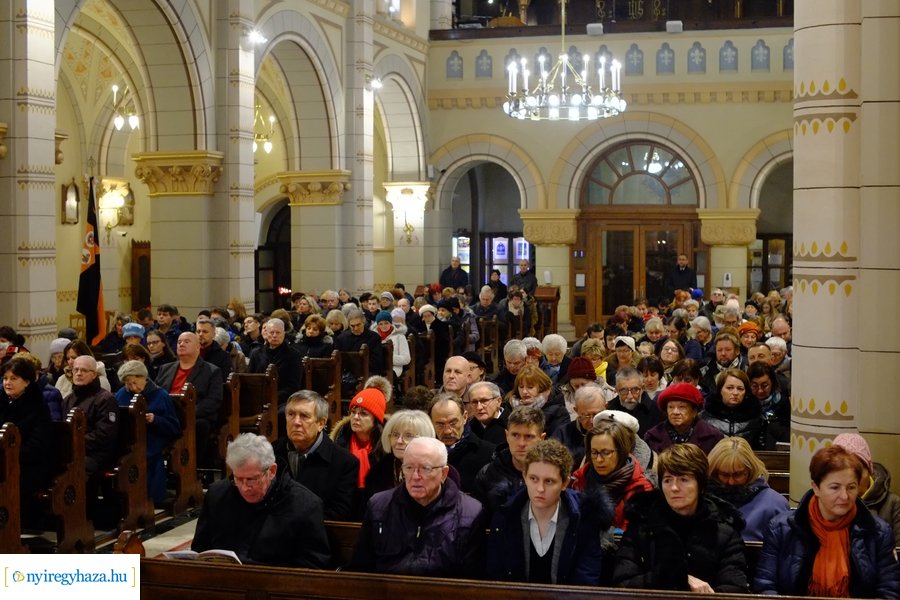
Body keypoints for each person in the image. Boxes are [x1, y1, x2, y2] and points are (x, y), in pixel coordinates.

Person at [753, 445, 899, 597]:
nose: (844, 496)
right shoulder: (781, 528)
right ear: (816, 488)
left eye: (851, 487)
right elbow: (765, 586)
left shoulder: (878, 532)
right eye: (835, 487)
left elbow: (889, 590)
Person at [613, 443, 750, 593]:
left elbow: (735, 588)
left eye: (683, 479)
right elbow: (623, 584)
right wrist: (677, 579)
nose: (674, 488)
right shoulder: (642, 524)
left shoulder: (723, 530)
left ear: (701, 485)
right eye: (667, 480)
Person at [350, 437, 487, 577]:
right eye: (409, 468)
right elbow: (360, 568)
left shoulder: (471, 513)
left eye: (425, 469)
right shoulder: (379, 505)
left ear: (444, 474)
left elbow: (472, 580)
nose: (415, 476)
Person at [192, 433, 331, 568]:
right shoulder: (218, 495)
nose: (245, 488)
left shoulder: (305, 505)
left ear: (272, 471)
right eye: (238, 479)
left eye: (252, 479)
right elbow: (200, 548)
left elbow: (314, 565)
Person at [488, 439, 610, 585]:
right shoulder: (505, 514)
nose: (540, 488)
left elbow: (585, 581)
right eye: (533, 479)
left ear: (564, 483)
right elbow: (496, 578)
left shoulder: (585, 518)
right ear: (524, 477)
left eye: (549, 481)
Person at [272, 390, 359, 521]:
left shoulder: (344, 462)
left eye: (304, 416)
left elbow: (339, 513)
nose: (296, 422)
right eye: (291, 414)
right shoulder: (271, 452)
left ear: (321, 424)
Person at [115, 360, 180, 505]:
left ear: (144, 377)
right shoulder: (121, 394)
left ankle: (151, 496)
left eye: (134, 382)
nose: (132, 387)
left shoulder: (160, 395)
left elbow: (174, 427)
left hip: (153, 438)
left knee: (145, 455)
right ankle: (123, 497)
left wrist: (155, 419)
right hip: (128, 438)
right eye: (127, 384)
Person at [572, 418, 653, 532]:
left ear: (621, 452)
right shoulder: (579, 479)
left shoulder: (640, 488)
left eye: (606, 453)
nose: (599, 459)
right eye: (594, 452)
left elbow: (632, 536)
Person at [156, 332, 223, 467]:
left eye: (187, 341)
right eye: (179, 341)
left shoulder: (211, 371)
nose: (181, 344)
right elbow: (156, 393)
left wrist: (190, 412)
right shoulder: (165, 369)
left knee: (200, 425)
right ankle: (154, 465)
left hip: (195, 416)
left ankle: (192, 468)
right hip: (167, 414)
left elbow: (214, 400)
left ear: (198, 347)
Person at [0, 357, 52, 527]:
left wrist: (9, 456)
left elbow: (38, 446)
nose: (8, 382)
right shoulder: (1, 401)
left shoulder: (37, 406)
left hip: (28, 466)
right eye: (5, 378)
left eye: (14, 378)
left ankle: (9, 529)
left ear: (27, 382)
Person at [707, 437, 788, 542]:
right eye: (724, 475)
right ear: (714, 473)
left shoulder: (775, 504)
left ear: (750, 470)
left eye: (738, 474)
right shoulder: (703, 500)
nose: (731, 482)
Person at [831, 432, 900, 548]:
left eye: (858, 471)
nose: (852, 479)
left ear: (869, 471)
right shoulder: (825, 503)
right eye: (843, 472)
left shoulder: (893, 504)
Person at [475, 405, 546, 512]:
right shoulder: (488, 473)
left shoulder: (554, 473)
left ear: (542, 438)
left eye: (529, 436)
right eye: (515, 435)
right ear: (507, 435)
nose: (521, 443)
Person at [61, 354, 119, 478]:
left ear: (94, 374)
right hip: (73, 450)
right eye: (75, 370)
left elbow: (104, 434)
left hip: (97, 453)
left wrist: (75, 443)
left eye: (84, 370)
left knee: (74, 468)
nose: (78, 373)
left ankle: (83, 497)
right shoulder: (68, 400)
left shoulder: (105, 399)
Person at [429, 393, 495, 495]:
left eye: (453, 423)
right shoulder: (424, 454)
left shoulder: (489, 454)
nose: (447, 431)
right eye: (440, 424)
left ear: (464, 417)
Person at [364, 409, 436, 500]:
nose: (399, 441)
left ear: (424, 438)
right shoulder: (378, 471)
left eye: (408, 435)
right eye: (395, 435)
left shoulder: (436, 470)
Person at [331, 387, 386, 500]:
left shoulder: (385, 448)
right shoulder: (340, 442)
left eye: (363, 414)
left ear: (375, 420)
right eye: (353, 412)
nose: (355, 417)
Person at [644, 382, 725, 455]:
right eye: (671, 407)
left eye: (682, 407)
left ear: (694, 411)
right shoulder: (652, 437)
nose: (675, 412)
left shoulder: (713, 437)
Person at [248, 318, 303, 409]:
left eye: (278, 333)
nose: (274, 336)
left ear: (284, 334)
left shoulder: (294, 355)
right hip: (257, 398)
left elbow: (293, 386)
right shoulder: (256, 353)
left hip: (283, 400)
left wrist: (272, 397)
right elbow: (250, 378)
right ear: (266, 334)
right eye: (271, 332)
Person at [701, 368, 763, 449]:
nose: (735, 393)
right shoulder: (703, 418)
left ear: (746, 392)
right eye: (730, 388)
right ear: (720, 390)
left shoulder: (757, 419)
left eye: (740, 389)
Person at [553, 383, 607, 466]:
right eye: (586, 415)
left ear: (605, 407)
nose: (592, 421)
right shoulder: (562, 433)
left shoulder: (615, 432)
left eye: (596, 414)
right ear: (576, 410)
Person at [507, 365, 569, 437]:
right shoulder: (510, 405)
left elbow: (558, 442)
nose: (524, 391)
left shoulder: (558, 411)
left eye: (530, 387)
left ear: (541, 387)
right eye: (521, 387)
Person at [606, 366, 663, 438]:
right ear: (616, 390)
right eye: (624, 390)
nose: (630, 396)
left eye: (635, 390)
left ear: (642, 388)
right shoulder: (608, 410)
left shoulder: (656, 411)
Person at [335, 308, 386, 377]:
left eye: (358, 325)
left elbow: (377, 363)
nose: (355, 328)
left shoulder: (374, 337)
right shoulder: (341, 338)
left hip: (368, 373)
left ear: (364, 322)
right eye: (352, 326)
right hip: (346, 373)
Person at [465, 380, 510, 446]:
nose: (479, 407)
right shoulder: (467, 429)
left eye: (484, 401)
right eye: (474, 402)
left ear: (498, 401)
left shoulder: (513, 424)